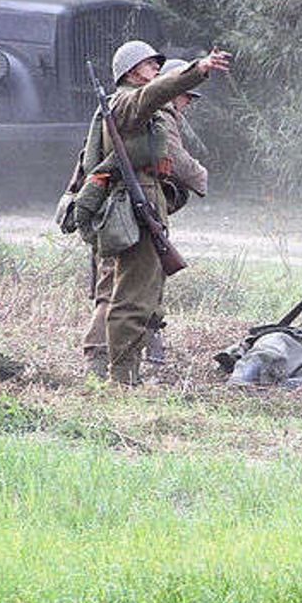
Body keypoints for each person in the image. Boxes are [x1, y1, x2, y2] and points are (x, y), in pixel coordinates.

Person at [74, 40, 230, 384]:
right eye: (150, 64)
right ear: (131, 72)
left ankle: (113, 373)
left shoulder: (132, 107)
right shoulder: (129, 102)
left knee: (131, 293)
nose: (156, 68)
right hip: (132, 205)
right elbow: (155, 94)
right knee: (132, 300)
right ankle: (123, 379)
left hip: (142, 201)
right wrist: (197, 70)